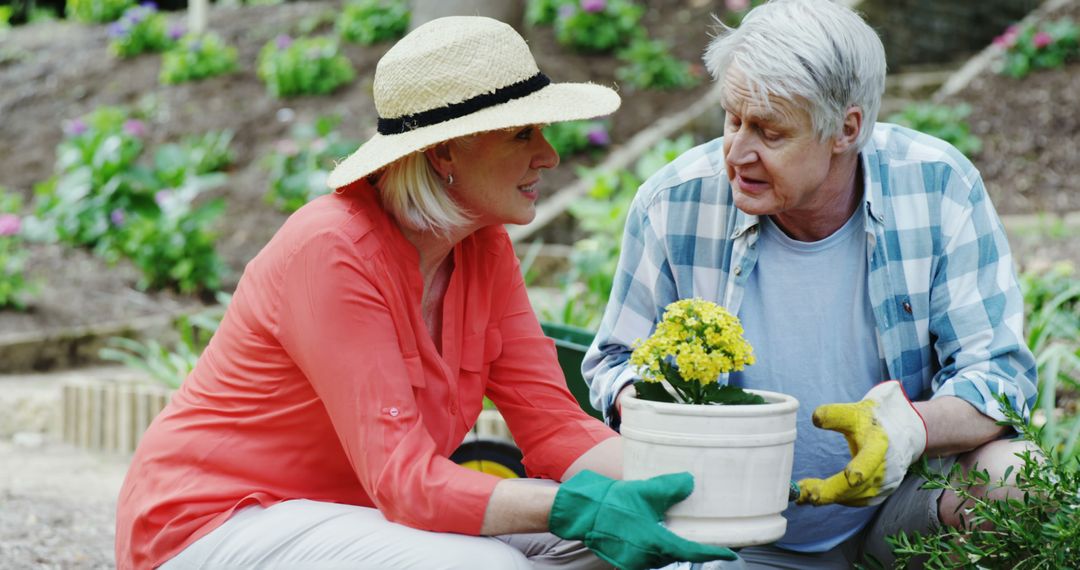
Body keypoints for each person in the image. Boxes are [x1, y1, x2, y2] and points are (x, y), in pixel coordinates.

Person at [115, 16, 737, 570]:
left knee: (618, 541)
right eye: (522, 135)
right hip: (215, 525)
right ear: (443, 152)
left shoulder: (484, 247)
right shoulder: (332, 250)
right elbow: (405, 482)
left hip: (354, 521)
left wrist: (703, 489)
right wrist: (576, 507)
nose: (548, 156)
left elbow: (553, 430)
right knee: (489, 565)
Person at [583, 0, 1039, 567]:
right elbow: (613, 361)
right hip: (732, 529)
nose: (737, 153)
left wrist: (907, 430)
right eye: (732, 119)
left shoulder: (938, 187)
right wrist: (662, 407)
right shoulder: (674, 203)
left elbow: (998, 373)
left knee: (1019, 481)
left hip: (899, 518)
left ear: (846, 129)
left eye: (770, 132)